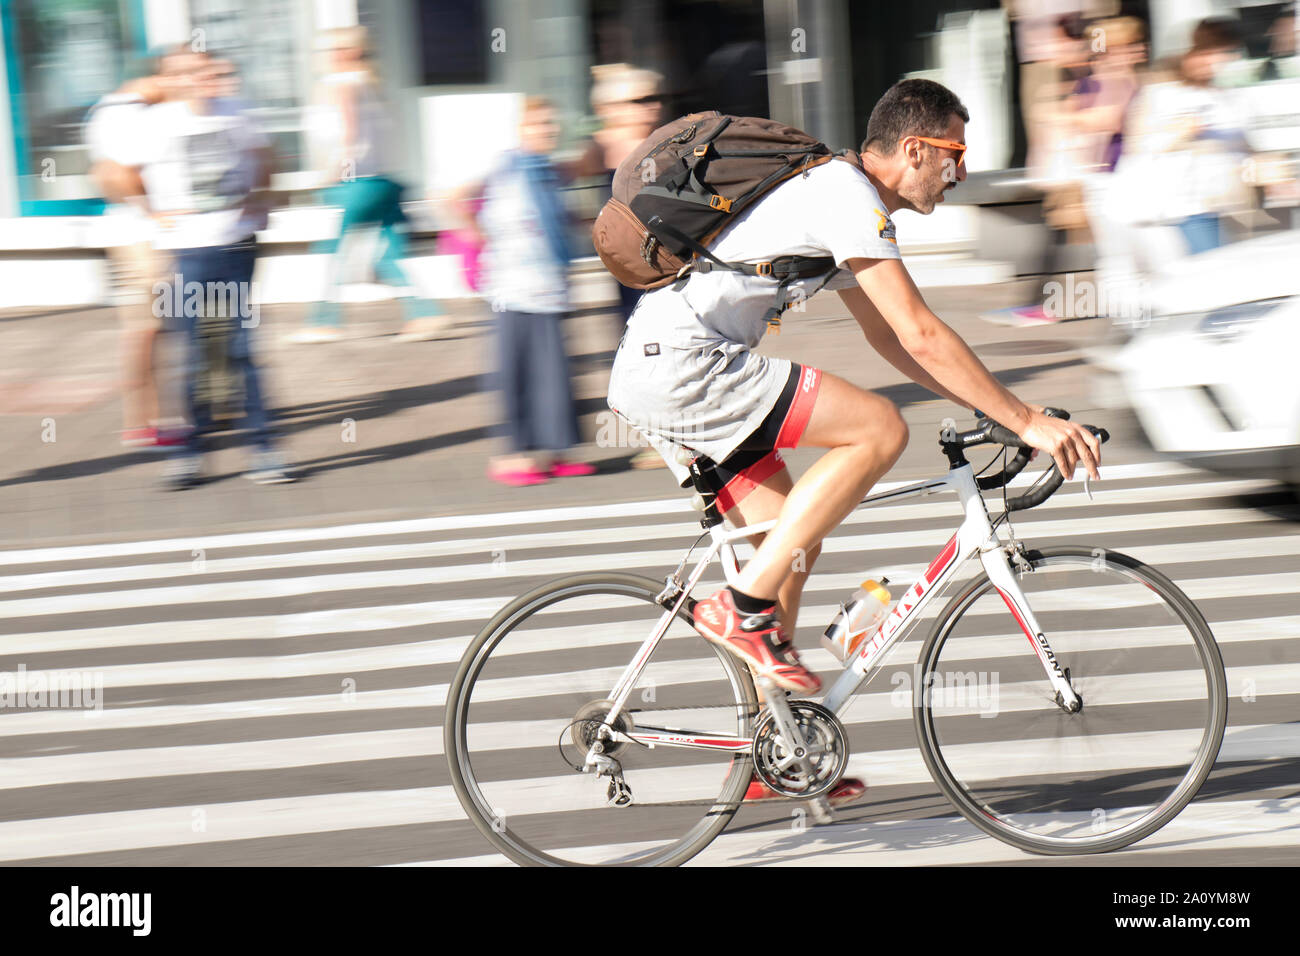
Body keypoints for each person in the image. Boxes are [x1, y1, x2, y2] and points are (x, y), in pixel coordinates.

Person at [606, 78, 1101, 804]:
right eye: (954, 154)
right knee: (879, 428)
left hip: (663, 370)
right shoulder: (845, 193)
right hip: (690, 366)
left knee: (789, 548)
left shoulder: (837, 198)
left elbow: (895, 342)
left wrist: (998, 406)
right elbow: (923, 331)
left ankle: (767, 755)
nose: (960, 174)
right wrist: (1028, 420)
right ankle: (741, 609)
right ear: (914, 148)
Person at [142, 47, 295, 488]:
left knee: (240, 351)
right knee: (199, 356)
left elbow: (268, 157)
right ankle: (190, 454)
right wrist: (150, 211)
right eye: (191, 72)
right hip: (187, 252)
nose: (203, 78)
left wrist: (261, 198)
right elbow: (115, 173)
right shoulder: (156, 124)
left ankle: (265, 450)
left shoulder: (237, 111)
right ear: (172, 79)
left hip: (236, 247)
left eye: (207, 70)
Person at [452, 96, 596, 487]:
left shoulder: (546, 170)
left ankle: (555, 451)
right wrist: (480, 238)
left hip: (550, 287)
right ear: (521, 130)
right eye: (538, 124)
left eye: (551, 124)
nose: (547, 131)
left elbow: (558, 209)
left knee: (553, 373)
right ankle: (510, 457)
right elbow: (453, 199)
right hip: (512, 290)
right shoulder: (506, 167)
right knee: (517, 372)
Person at [288, 26, 447, 344]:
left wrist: (336, 173)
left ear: (350, 52)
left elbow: (350, 133)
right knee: (386, 254)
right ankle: (425, 313)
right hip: (383, 181)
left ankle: (324, 321)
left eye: (332, 50)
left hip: (357, 184)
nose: (326, 57)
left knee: (335, 252)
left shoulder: (342, 84)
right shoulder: (373, 84)